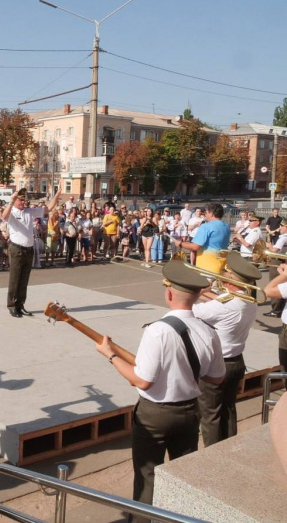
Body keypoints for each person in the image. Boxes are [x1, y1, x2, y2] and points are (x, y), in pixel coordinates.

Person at [95, 261, 225, 520]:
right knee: (181, 474)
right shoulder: (209, 331)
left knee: (147, 475)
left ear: (168, 294)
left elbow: (142, 380)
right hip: (189, 411)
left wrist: (110, 355)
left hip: (155, 414)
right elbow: (217, 377)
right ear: (198, 296)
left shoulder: (158, 331)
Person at [191, 252, 259, 446]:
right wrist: (204, 292)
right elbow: (220, 302)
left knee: (210, 415)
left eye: (226, 275)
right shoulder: (249, 300)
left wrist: (195, 290)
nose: (222, 276)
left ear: (231, 281)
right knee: (228, 409)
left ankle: (213, 455)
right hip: (237, 361)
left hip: (217, 364)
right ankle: (229, 449)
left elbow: (191, 311)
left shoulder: (225, 306)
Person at [2, 187, 60, 317]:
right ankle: (12, 305)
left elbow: (48, 208)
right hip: (17, 248)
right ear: (15, 201)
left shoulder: (29, 211)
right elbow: (4, 216)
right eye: (21, 200)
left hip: (28, 249)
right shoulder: (12, 212)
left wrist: (57, 194)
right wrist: (11, 201)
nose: (24, 203)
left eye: (24, 200)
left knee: (24, 280)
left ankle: (20, 304)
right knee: (15, 279)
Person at [179, 203, 231, 274]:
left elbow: (195, 246)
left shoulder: (206, 226)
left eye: (206, 212)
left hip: (207, 267)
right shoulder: (226, 226)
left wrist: (180, 244)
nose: (204, 214)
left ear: (211, 214)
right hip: (222, 266)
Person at [265, 219, 287, 318]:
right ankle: (279, 308)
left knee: (274, 283)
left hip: (278, 260)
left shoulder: (283, 238)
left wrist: (269, 246)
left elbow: (274, 251)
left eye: (282, 226)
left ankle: (275, 309)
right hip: (282, 260)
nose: (280, 228)